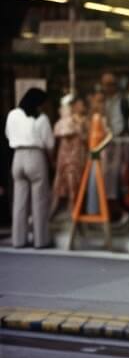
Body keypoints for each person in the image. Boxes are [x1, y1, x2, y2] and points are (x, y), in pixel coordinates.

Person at [5, 87, 55, 248]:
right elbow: (50, 143)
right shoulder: (41, 119)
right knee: (39, 201)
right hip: (35, 157)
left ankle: (18, 240)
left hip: (17, 157)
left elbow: (8, 134)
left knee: (19, 202)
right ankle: (41, 240)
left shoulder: (12, 114)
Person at [100, 72, 129, 225]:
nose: (108, 88)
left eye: (111, 84)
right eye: (106, 84)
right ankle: (115, 213)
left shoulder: (128, 99)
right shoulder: (104, 103)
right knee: (109, 180)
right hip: (109, 147)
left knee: (124, 179)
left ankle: (128, 213)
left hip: (126, 145)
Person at [51, 94, 88, 217]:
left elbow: (86, 139)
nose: (82, 107)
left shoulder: (84, 121)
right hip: (66, 159)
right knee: (61, 189)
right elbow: (61, 132)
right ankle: (55, 214)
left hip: (78, 159)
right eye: (79, 105)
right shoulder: (67, 121)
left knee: (76, 189)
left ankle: (75, 217)